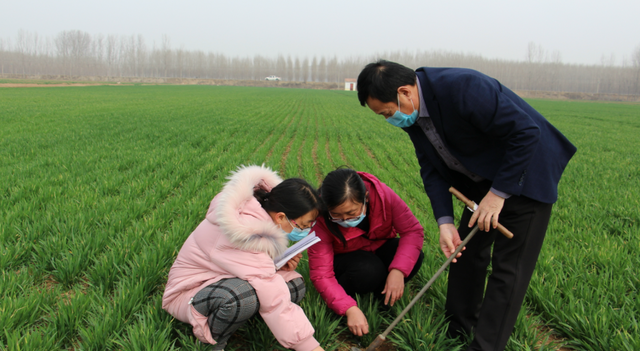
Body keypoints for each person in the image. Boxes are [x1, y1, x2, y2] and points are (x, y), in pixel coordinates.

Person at [356, 60, 577, 351]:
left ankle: (485, 346)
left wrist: (499, 194)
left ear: (405, 92)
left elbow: (526, 132)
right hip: (483, 180)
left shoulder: (463, 88)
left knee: (509, 268)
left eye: (387, 112)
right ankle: (458, 329)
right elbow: (431, 167)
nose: (389, 119)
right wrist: (444, 221)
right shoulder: (413, 115)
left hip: (527, 175)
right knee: (465, 253)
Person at [162, 165, 325, 351]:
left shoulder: (256, 214)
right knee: (242, 298)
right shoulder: (246, 234)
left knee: (294, 284)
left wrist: (277, 265)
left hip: (221, 279)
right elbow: (270, 289)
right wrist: (308, 346)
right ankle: (211, 343)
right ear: (281, 217)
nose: (303, 231)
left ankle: (242, 318)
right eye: (302, 226)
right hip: (188, 292)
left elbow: (248, 267)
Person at [307, 168, 424, 337]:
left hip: (378, 245)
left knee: (414, 257)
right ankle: (350, 298)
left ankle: (382, 297)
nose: (345, 220)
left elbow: (412, 231)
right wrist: (349, 309)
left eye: (351, 213)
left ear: (366, 198)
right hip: (347, 259)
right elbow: (321, 274)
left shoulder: (384, 196)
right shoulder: (320, 219)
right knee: (368, 269)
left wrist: (398, 271)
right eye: (337, 215)